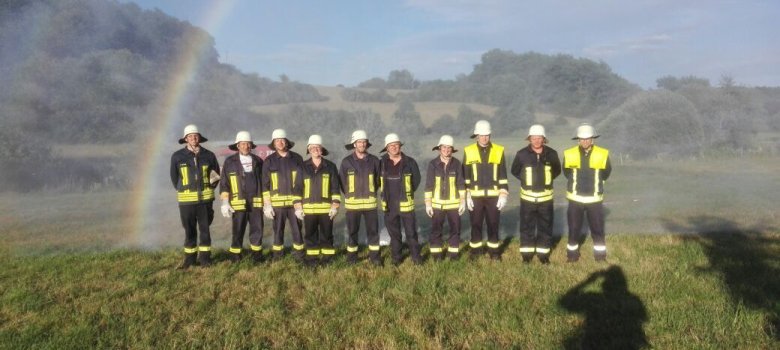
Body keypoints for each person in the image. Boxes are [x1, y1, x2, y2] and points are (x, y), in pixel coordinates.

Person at [170, 124, 220, 269]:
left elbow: (215, 175)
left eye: (195, 136)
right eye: (190, 136)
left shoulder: (209, 155)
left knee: (205, 230)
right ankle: (190, 260)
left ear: (199, 137)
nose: (193, 138)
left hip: (205, 201)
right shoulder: (177, 156)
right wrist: (184, 190)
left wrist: (209, 189)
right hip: (186, 202)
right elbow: (174, 178)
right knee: (189, 230)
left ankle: (205, 260)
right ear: (185, 139)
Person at [510, 124, 561, 264]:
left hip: (546, 199)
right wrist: (527, 181)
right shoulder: (521, 154)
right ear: (529, 139)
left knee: (545, 227)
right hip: (527, 200)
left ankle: (543, 255)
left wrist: (545, 181)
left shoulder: (552, 154)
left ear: (544, 139)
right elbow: (515, 171)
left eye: (539, 138)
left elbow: (557, 170)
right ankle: (527, 256)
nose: (537, 141)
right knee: (527, 227)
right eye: (534, 138)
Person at [563, 123, 612, 262]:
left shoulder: (602, 153)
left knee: (597, 230)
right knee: (574, 229)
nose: (585, 141)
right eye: (582, 139)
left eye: (587, 139)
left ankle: (600, 257)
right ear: (578, 140)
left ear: (592, 139)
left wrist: (596, 184)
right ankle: (572, 256)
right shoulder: (569, 153)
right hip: (575, 198)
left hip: (594, 199)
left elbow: (606, 172)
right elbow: (566, 172)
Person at [463, 120, 509, 260]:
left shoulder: (499, 150)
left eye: (487, 135)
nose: (484, 138)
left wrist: (503, 194)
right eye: (482, 135)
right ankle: (475, 252)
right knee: (475, 225)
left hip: (494, 196)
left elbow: (503, 174)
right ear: (476, 136)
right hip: (475, 197)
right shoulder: (468, 150)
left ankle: (494, 253)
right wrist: (466, 195)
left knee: (493, 224)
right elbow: (466, 176)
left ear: (490, 135)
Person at [219, 131, 264, 264]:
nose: (246, 146)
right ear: (237, 145)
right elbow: (224, 183)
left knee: (257, 229)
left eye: (248, 144)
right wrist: (225, 202)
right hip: (238, 203)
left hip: (255, 202)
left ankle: (257, 255)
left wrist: (267, 202)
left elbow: (264, 182)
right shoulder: (230, 162)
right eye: (243, 144)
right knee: (237, 230)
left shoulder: (258, 161)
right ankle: (235, 255)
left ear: (251, 146)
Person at [339, 130, 382, 266]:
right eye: (359, 142)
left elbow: (378, 181)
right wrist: (350, 195)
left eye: (364, 142)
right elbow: (342, 182)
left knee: (373, 232)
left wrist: (371, 191)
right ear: (354, 144)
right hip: (353, 206)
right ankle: (352, 258)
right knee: (352, 232)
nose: (362, 144)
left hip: (370, 205)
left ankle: (375, 258)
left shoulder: (374, 161)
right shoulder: (346, 162)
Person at [297, 134, 341, 267]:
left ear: (322, 149)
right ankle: (312, 260)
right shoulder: (302, 167)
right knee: (310, 235)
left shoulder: (330, 166)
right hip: (309, 209)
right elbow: (297, 188)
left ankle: (328, 260)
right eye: (312, 148)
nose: (315, 150)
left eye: (318, 147)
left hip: (326, 210)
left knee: (327, 235)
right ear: (308, 150)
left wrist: (335, 206)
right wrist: (298, 207)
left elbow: (335, 188)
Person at [379, 133, 422, 266]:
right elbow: (377, 181)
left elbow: (416, 180)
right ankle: (396, 258)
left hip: (406, 204)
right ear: (387, 148)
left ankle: (416, 258)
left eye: (396, 145)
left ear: (400, 146)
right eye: (391, 145)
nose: (394, 147)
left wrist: (407, 193)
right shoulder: (382, 163)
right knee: (394, 235)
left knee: (411, 233)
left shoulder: (410, 162)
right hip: (389, 205)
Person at [262, 129, 305, 262]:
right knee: (278, 231)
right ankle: (277, 256)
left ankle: (299, 255)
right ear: (274, 144)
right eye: (277, 141)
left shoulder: (297, 159)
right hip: (277, 206)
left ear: (286, 142)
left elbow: (303, 182)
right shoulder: (269, 161)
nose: (280, 143)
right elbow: (265, 185)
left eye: (282, 140)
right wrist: (267, 205)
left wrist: (301, 204)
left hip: (294, 205)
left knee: (297, 230)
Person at [424, 135, 466, 261]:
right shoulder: (433, 164)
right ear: (439, 149)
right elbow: (429, 185)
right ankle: (436, 256)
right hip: (437, 205)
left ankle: (453, 255)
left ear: (452, 149)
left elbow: (461, 183)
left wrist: (463, 201)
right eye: (444, 147)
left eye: (449, 148)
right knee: (436, 230)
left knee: (455, 230)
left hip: (454, 204)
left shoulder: (457, 164)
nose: (446, 150)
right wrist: (428, 204)